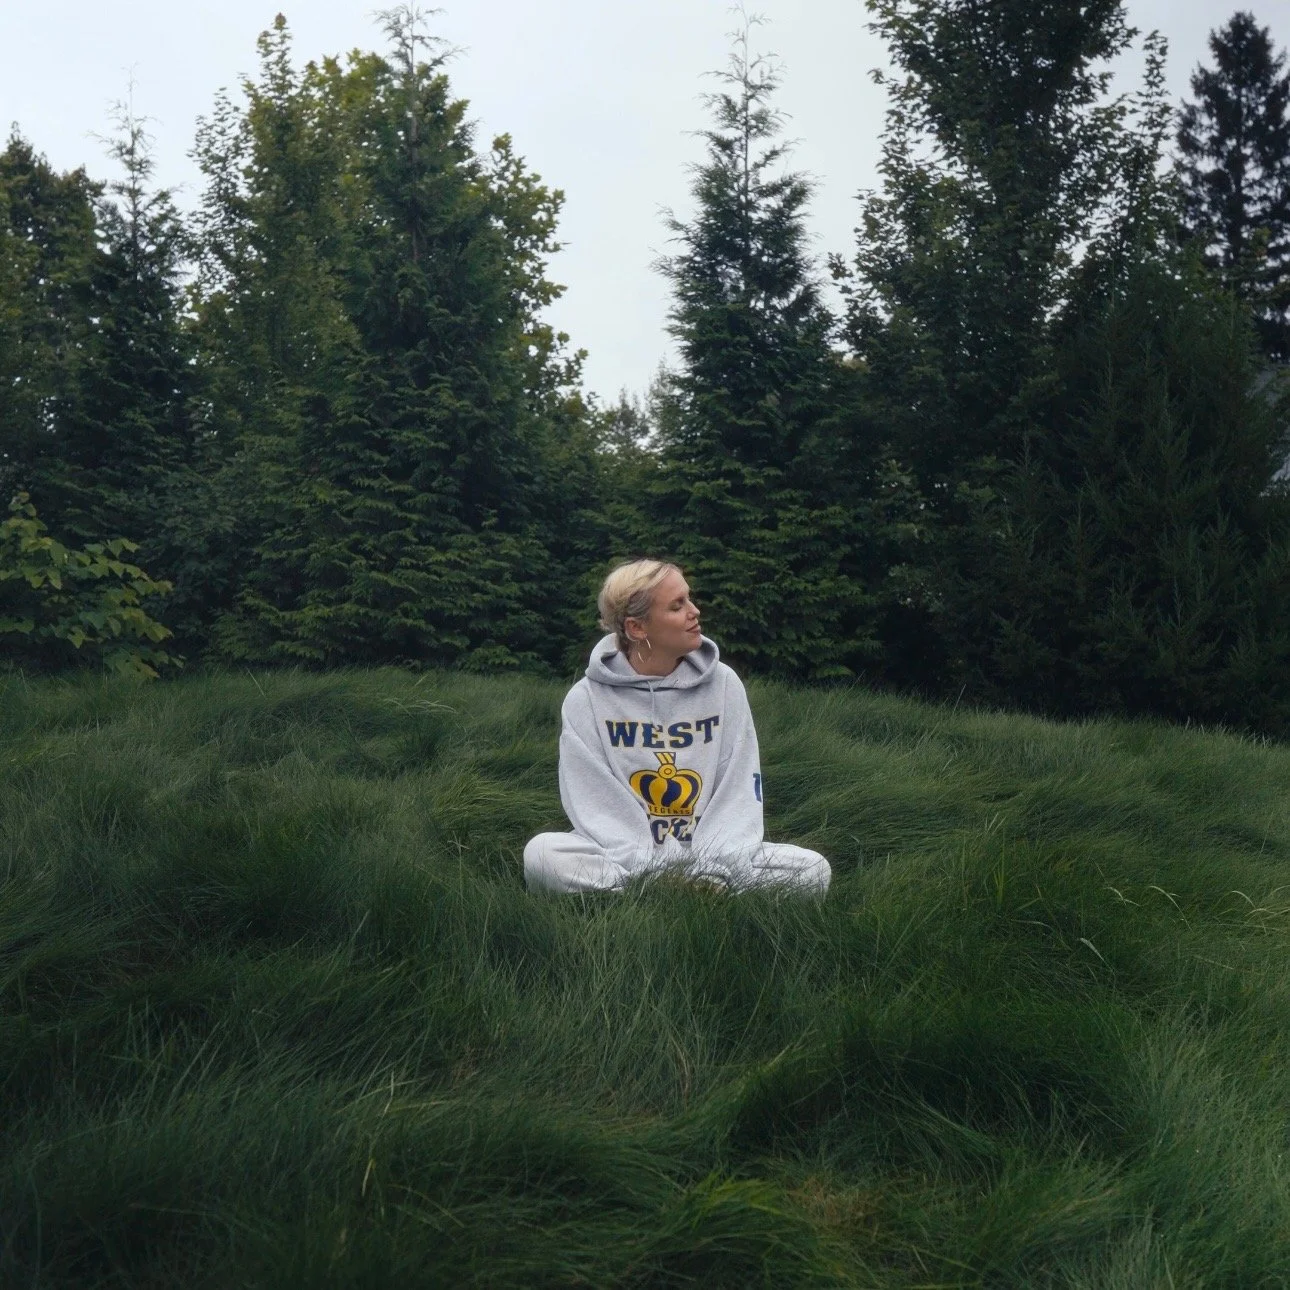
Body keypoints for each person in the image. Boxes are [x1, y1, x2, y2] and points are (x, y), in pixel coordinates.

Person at [524, 559, 831, 896]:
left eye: (689, 598)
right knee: (542, 855)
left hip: (712, 851)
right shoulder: (587, 699)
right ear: (637, 628)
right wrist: (645, 866)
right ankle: (660, 890)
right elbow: (595, 802)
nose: (695, 611)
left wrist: (716, 865)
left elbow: (738, 788)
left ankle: (694, 889)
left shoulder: (724, 685)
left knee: (814, 870)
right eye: (677, 605)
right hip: (624, 855)